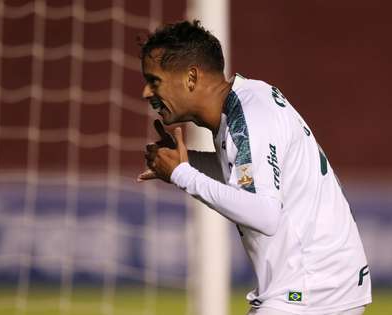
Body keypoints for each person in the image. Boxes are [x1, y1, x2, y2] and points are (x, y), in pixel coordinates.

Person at [137, 20, 371, 315]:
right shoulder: (246, 101)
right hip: (322, 286)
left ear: (191, 77)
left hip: (312, 292)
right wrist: (185, 161)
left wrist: (183, 174)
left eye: (154, 80)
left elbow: (265, 214)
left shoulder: (249, 116)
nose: (146, 92)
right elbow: (245, 172)